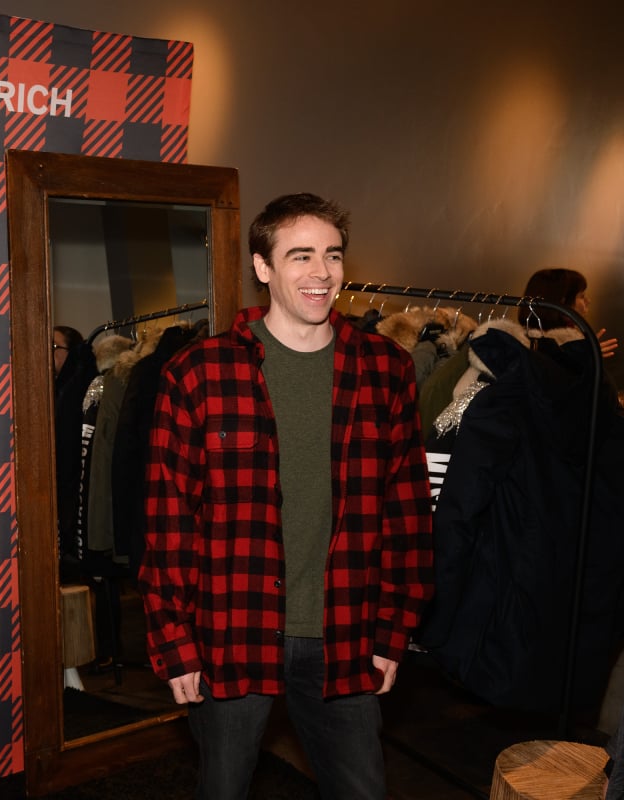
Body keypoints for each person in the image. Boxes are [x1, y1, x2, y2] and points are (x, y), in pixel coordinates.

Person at [139, 192, 435, 800]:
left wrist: (394, 632)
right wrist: (175, 643)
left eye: (332, 255)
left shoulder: (386, 369)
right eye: (300, 255)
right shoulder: (199, 372)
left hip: (347, 632)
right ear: (263, 267)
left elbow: (408, 514)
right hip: (230, 632)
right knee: (222, 788)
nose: (321, 273)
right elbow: (171, 521)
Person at [521, 267, 618, 358]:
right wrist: (585, 359)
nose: (588, 301)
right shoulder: (567, 347)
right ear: (563, 303)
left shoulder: (517, 342)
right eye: (582, 296)